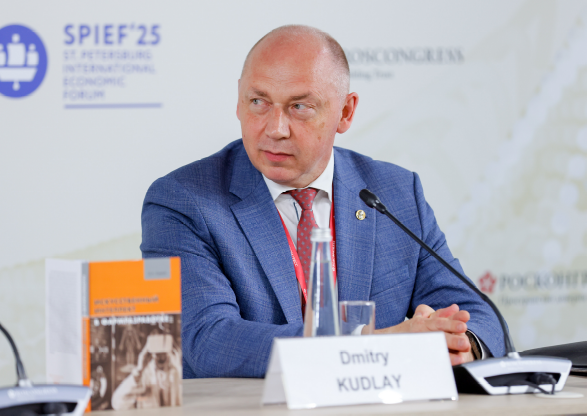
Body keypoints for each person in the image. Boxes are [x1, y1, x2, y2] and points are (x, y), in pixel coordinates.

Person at [141, 25, 504, 379]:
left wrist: (459, 345)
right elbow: (207, 340)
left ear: (345, 112)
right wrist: (373, 345)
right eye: (258, 102)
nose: (275, 128)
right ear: (239, 100)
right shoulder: (183, 201)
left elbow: (478, 314)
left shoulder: (394, 192)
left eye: (299, 106)